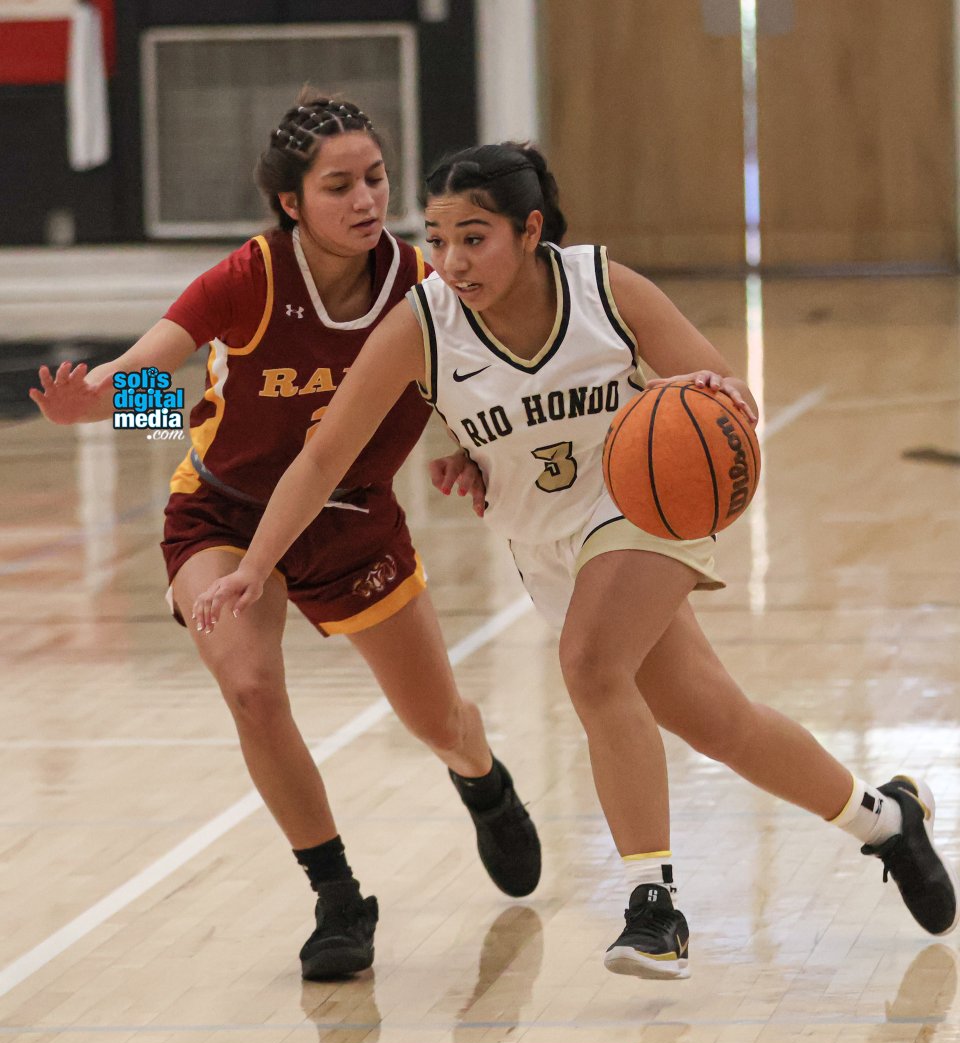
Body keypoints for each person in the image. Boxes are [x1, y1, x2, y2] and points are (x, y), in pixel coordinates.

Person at [191, 140, 958, 980]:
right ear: (291, 204)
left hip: (639, 505)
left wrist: (712, 403)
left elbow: (727, 391)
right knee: (715, 721)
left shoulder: (598, 290)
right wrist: (124, 407)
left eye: (470, 236)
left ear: (529, 231)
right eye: (436, 237)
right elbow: (284, 433)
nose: (445, 256)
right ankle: (885, 821)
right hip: (460, 524)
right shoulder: (265, 283)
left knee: (589, 667)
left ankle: (652, 905)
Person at [27, 103, 541, 982]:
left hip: (350, 520)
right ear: (290, 204)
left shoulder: (424, 283)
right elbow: (168, 395)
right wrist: (99, 399)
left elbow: (477, 379)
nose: (366, 198)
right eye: (338, 185)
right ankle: (337, 894)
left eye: (376, 177)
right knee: (252, 690)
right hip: (223, 516)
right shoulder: (248, 278)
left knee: (435, 720)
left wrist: (466, 448)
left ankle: (480, 774)